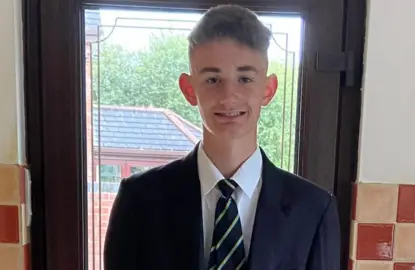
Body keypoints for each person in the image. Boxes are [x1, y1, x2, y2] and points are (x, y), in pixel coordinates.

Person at [104, 4, 340, 270]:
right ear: (189, 89)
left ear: (268, 89)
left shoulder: (313, 209)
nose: (229, 96)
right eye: (213, 80)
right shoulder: (140, 200)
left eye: (245, 78)